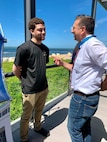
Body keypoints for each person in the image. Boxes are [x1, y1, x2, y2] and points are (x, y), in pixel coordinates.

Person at [53, 14, 107, 142]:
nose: (71, 30)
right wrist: (62, 64)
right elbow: (78, 69)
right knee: (84, 127)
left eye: (74, 27)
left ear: (82, 29)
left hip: (83, 99)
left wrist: (105, 84)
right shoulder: (84, 46)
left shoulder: (92, 45)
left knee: (73, 129)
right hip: (85, 98)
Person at [12, 17, 50, 142]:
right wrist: (25, 81)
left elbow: (41, 66)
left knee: (39, 111)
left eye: (44, 30)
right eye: (40, 30)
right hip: (29, 90)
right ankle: (24, 138)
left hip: (43, 88)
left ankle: (38, 128)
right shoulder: (23, 48)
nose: (43, 32)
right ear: (31, 31)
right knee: (26, 116)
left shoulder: (45, 49)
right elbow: (15, 70)